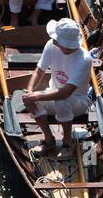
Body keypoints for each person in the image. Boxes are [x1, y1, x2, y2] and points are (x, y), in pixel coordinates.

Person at [21, 18, 93, 156]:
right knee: (29, 99)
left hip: (78, 101)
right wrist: (30, 92)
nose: (54, 42)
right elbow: (39, 70)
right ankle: (49, 140)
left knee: (61, 101)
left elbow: (66, 92)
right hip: (53, 94)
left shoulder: (84, 59)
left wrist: (37, 95)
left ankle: (67, 142)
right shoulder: (51, 45)